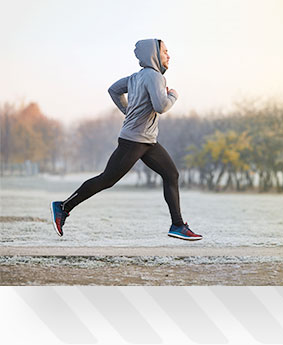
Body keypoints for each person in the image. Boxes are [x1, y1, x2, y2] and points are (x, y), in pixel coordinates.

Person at [50, 38, 202, 241]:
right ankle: (63, 207)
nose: (169, 55)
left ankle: (177, 225)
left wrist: (127, 110)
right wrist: (173, 95)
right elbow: (161, 106)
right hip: (134, 141)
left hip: (147, 141)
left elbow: (113, 89)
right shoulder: (155, 77)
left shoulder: (136, 77)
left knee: (171, 174)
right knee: (107, 179)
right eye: (165, 51)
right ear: (154, 54)